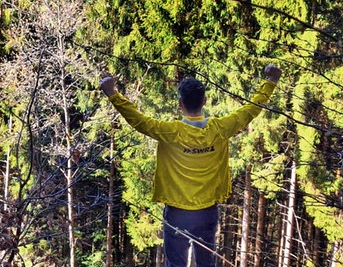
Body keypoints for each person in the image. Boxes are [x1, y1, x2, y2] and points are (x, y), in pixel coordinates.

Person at [99, 64, 282, 267]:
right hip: (207, 211)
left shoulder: (170, 131)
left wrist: (113, 94)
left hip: (177, 212)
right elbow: (250, 110)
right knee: (206, 264)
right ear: (204, 101)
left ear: (180, 104)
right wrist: (271, 81)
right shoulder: (220, 129)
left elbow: (138, 120)